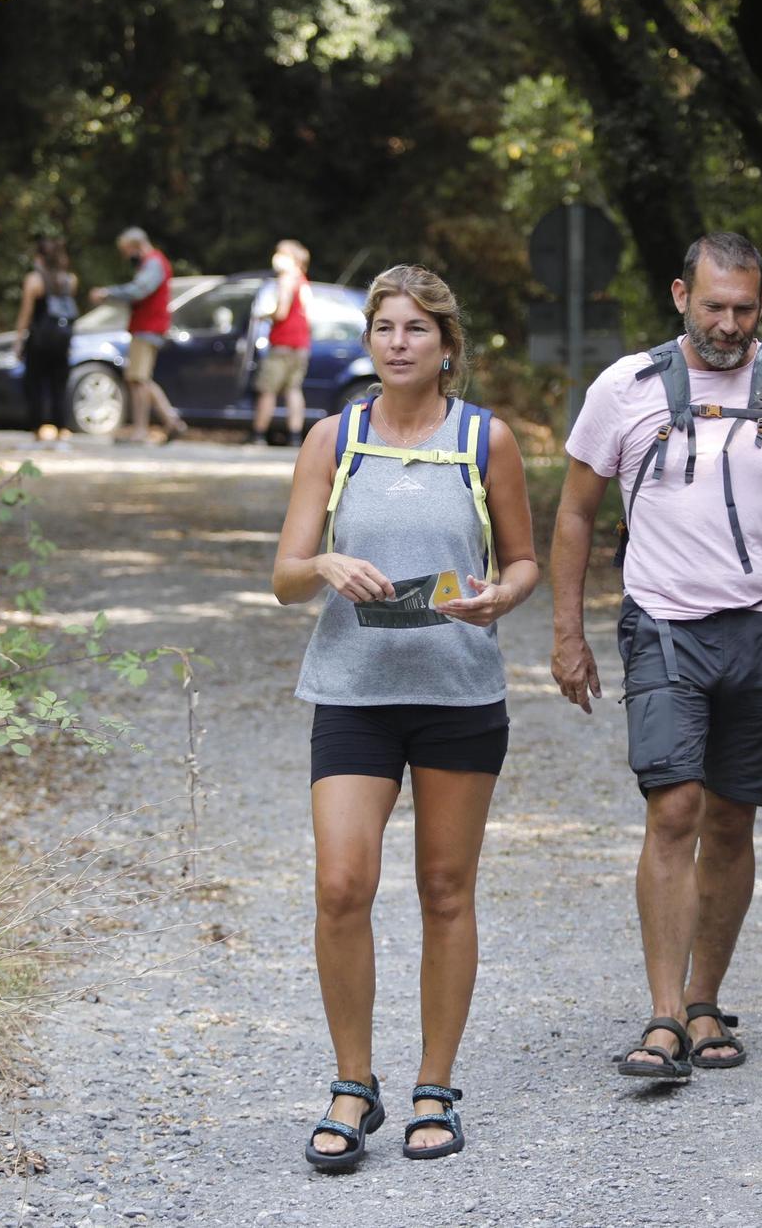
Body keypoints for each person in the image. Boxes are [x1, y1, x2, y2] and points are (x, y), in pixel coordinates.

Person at [549, 231, 762, 1082]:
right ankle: (660, 1017)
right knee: (673, 809)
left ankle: (704, 1000)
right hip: (664, 626)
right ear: (680, 294)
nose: (728, 324)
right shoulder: (625, 388)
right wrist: (568, 631)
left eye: (745, 308)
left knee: (732, 815)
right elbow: (575, 513)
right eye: (714, 305)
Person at [272, 264, 538, 1169]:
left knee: (445, 891)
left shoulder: (484, 440)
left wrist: (500, 597)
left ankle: (436, 1086)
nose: (397, 342)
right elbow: (282, 574)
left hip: (460, 693)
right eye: (384, 327)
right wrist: (325, 567)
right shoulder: (332, 439)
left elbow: (526, 562)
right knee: (342, 885)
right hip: (353, 689)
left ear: (446, 345)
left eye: (416, 329)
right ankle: (354, 1084)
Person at [88, 227, 186, 442]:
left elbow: (138, 290)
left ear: (137, 246)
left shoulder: (153, 263)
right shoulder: (151, 262)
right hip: (145, 327)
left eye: (126, 251)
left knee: (138, 380)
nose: (125, 256)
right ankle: (171, 421)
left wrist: (107, 293)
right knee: (141, 378)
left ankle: (141, 430)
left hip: (148, 328)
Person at [249, 239, 314, 446]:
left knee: (268, 390)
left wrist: (264, 316)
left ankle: (258, 435)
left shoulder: (286, 279)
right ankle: (295, 436)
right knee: (293, 390)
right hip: (301, 345)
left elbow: (282, 311)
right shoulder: (303, 280)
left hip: (282, 343)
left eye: (281, 254)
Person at [12, 236, 77, 440]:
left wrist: (18, 339)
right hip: (62, 340)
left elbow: (26, 313)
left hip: (39, 340)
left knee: (35, 382)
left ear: (39, 257)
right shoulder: (70, 280)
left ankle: (37, 428)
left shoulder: (34, 279)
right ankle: (61, 428)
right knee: (59, 383)